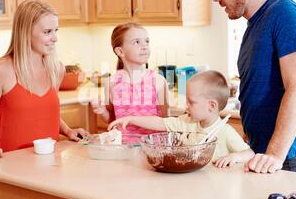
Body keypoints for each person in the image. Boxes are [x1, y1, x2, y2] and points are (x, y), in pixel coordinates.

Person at [208, 0, 296, 174]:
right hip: (260, 155)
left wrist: (274, 154)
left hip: (285, 159)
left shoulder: (284, 14)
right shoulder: (253, 26)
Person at [0, 0, 88, 161]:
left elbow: (44, 111)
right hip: (11, 163)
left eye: (56, 31)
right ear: (25, 32)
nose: (55, 38)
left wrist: (67, 130)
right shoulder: (0, 70)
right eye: (47, 32)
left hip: (50, 161)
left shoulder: (56, 69)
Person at [108, 71, 255, 166]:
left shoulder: (225, 131)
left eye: (191, 102)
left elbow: (250, 153)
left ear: (211, 106)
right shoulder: (186, 121)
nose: (186, 106)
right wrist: (130, 118)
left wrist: (235, 157)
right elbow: (159, 122)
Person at [91, 22, 169, 136]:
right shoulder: (111, 83)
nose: (145, 46)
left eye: (147, 41)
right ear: (120, 51)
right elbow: (112, 120)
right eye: (137, 42)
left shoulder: (158, 81)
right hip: (123, 147)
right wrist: (102, 111)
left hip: (152, 148)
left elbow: (167, 122)